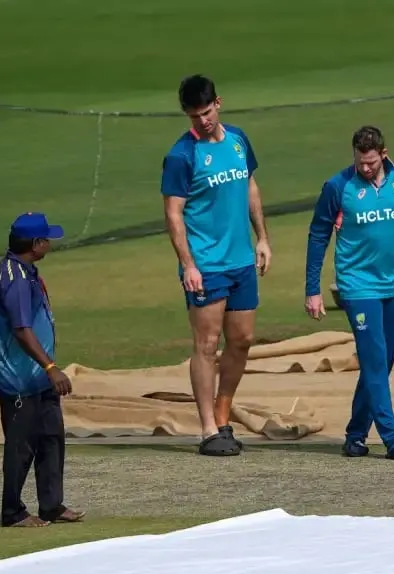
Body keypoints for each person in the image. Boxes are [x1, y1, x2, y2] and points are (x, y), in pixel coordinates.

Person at [160, 74, 272, 457]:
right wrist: (188, 265)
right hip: (206, 265)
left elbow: (250, 187)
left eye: (206, 113)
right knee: (207, 345)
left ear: (218, 103)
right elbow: (173, 214)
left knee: (242, 340)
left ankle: (223, 416)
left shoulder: (239, 140)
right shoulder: (182, 155)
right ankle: (208, 428)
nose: (202, 121)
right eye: (194, 116)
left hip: (241, 260)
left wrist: (262, 238)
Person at [304, 125, 394, 461]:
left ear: (383, 155)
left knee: (381, 364)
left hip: (393, 283)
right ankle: (393, 439)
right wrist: (312, 289)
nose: (366, 168)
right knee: (373, 361)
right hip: (357, 286)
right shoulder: (338, 186)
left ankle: (355, 435)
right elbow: (318, 236)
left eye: (371, 162)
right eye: (360, 162)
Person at [0, 212, 84, 527]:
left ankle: (51, 505)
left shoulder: (25, 271)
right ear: (35, 243)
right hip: (20, 380)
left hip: (37, 377)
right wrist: (51, 367)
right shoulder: (14, 280)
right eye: (46, 238)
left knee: (51, 440)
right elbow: (20, 329)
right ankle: (12, 512)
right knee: (21, 448)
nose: (50, 242)